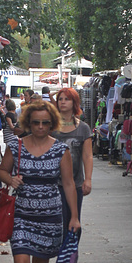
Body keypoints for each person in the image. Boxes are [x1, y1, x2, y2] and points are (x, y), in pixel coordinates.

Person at [0, 100, 80, 263]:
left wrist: (74, 216)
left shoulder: (60, 150)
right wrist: (9, 179)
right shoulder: (17, 146)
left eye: (45, 123)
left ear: (52, 123)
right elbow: (2, 170)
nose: (41, 127)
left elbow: (68, 183)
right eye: (36, 123)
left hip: (50, 216)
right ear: (28, 123)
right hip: (22, 214)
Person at [53, 87, 93, 236]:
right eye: (60, 99)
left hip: (75, 183)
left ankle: (69, 255)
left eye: (66, 99)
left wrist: (88, 179)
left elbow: (88, 156)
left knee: (73, 223)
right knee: (57, 224)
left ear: (74, 102)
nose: (62, 102)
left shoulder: (83, 128)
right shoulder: (50, 126)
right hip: (53, 184)